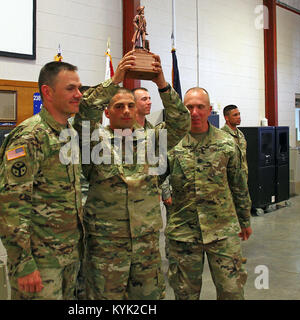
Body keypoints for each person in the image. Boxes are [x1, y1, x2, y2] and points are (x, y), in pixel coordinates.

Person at [73, 50, 190, 300]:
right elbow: (84, 109)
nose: (126, 111)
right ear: (107, 112)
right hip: (106, 247)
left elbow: (181, 122)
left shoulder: (152, 140)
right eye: (119, 106)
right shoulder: (93, 142)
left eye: (130, 105)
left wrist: (161, 83)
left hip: (145, 246)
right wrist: (115, 80)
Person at [0, 61, 84, 300]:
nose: (78, 95)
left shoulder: (69, 134)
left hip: (68, 255)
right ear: (48, 92)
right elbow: (10, 206)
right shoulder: (30, 137)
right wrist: (23, 263)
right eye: (71, 88)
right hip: (40, 262)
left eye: (79, 88)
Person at [165, 88, 252, 300]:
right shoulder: (170, 143)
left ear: (210, 110)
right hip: (184, 231)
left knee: (232, 290)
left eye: (200, 107)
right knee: (185, 294)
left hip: (222, 229)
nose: (194, 112)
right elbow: (154, 179)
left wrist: (244, 219)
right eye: (189, 107)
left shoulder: (227, 142)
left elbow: (239, 184)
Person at [221, 104, 248, 176]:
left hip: (242, 178)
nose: (239, 117)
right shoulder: (221, 135)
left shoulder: (240, 134)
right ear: (226, 118)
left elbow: (243, 158)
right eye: (235, 115)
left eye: (239, 114)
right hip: (229, 180)